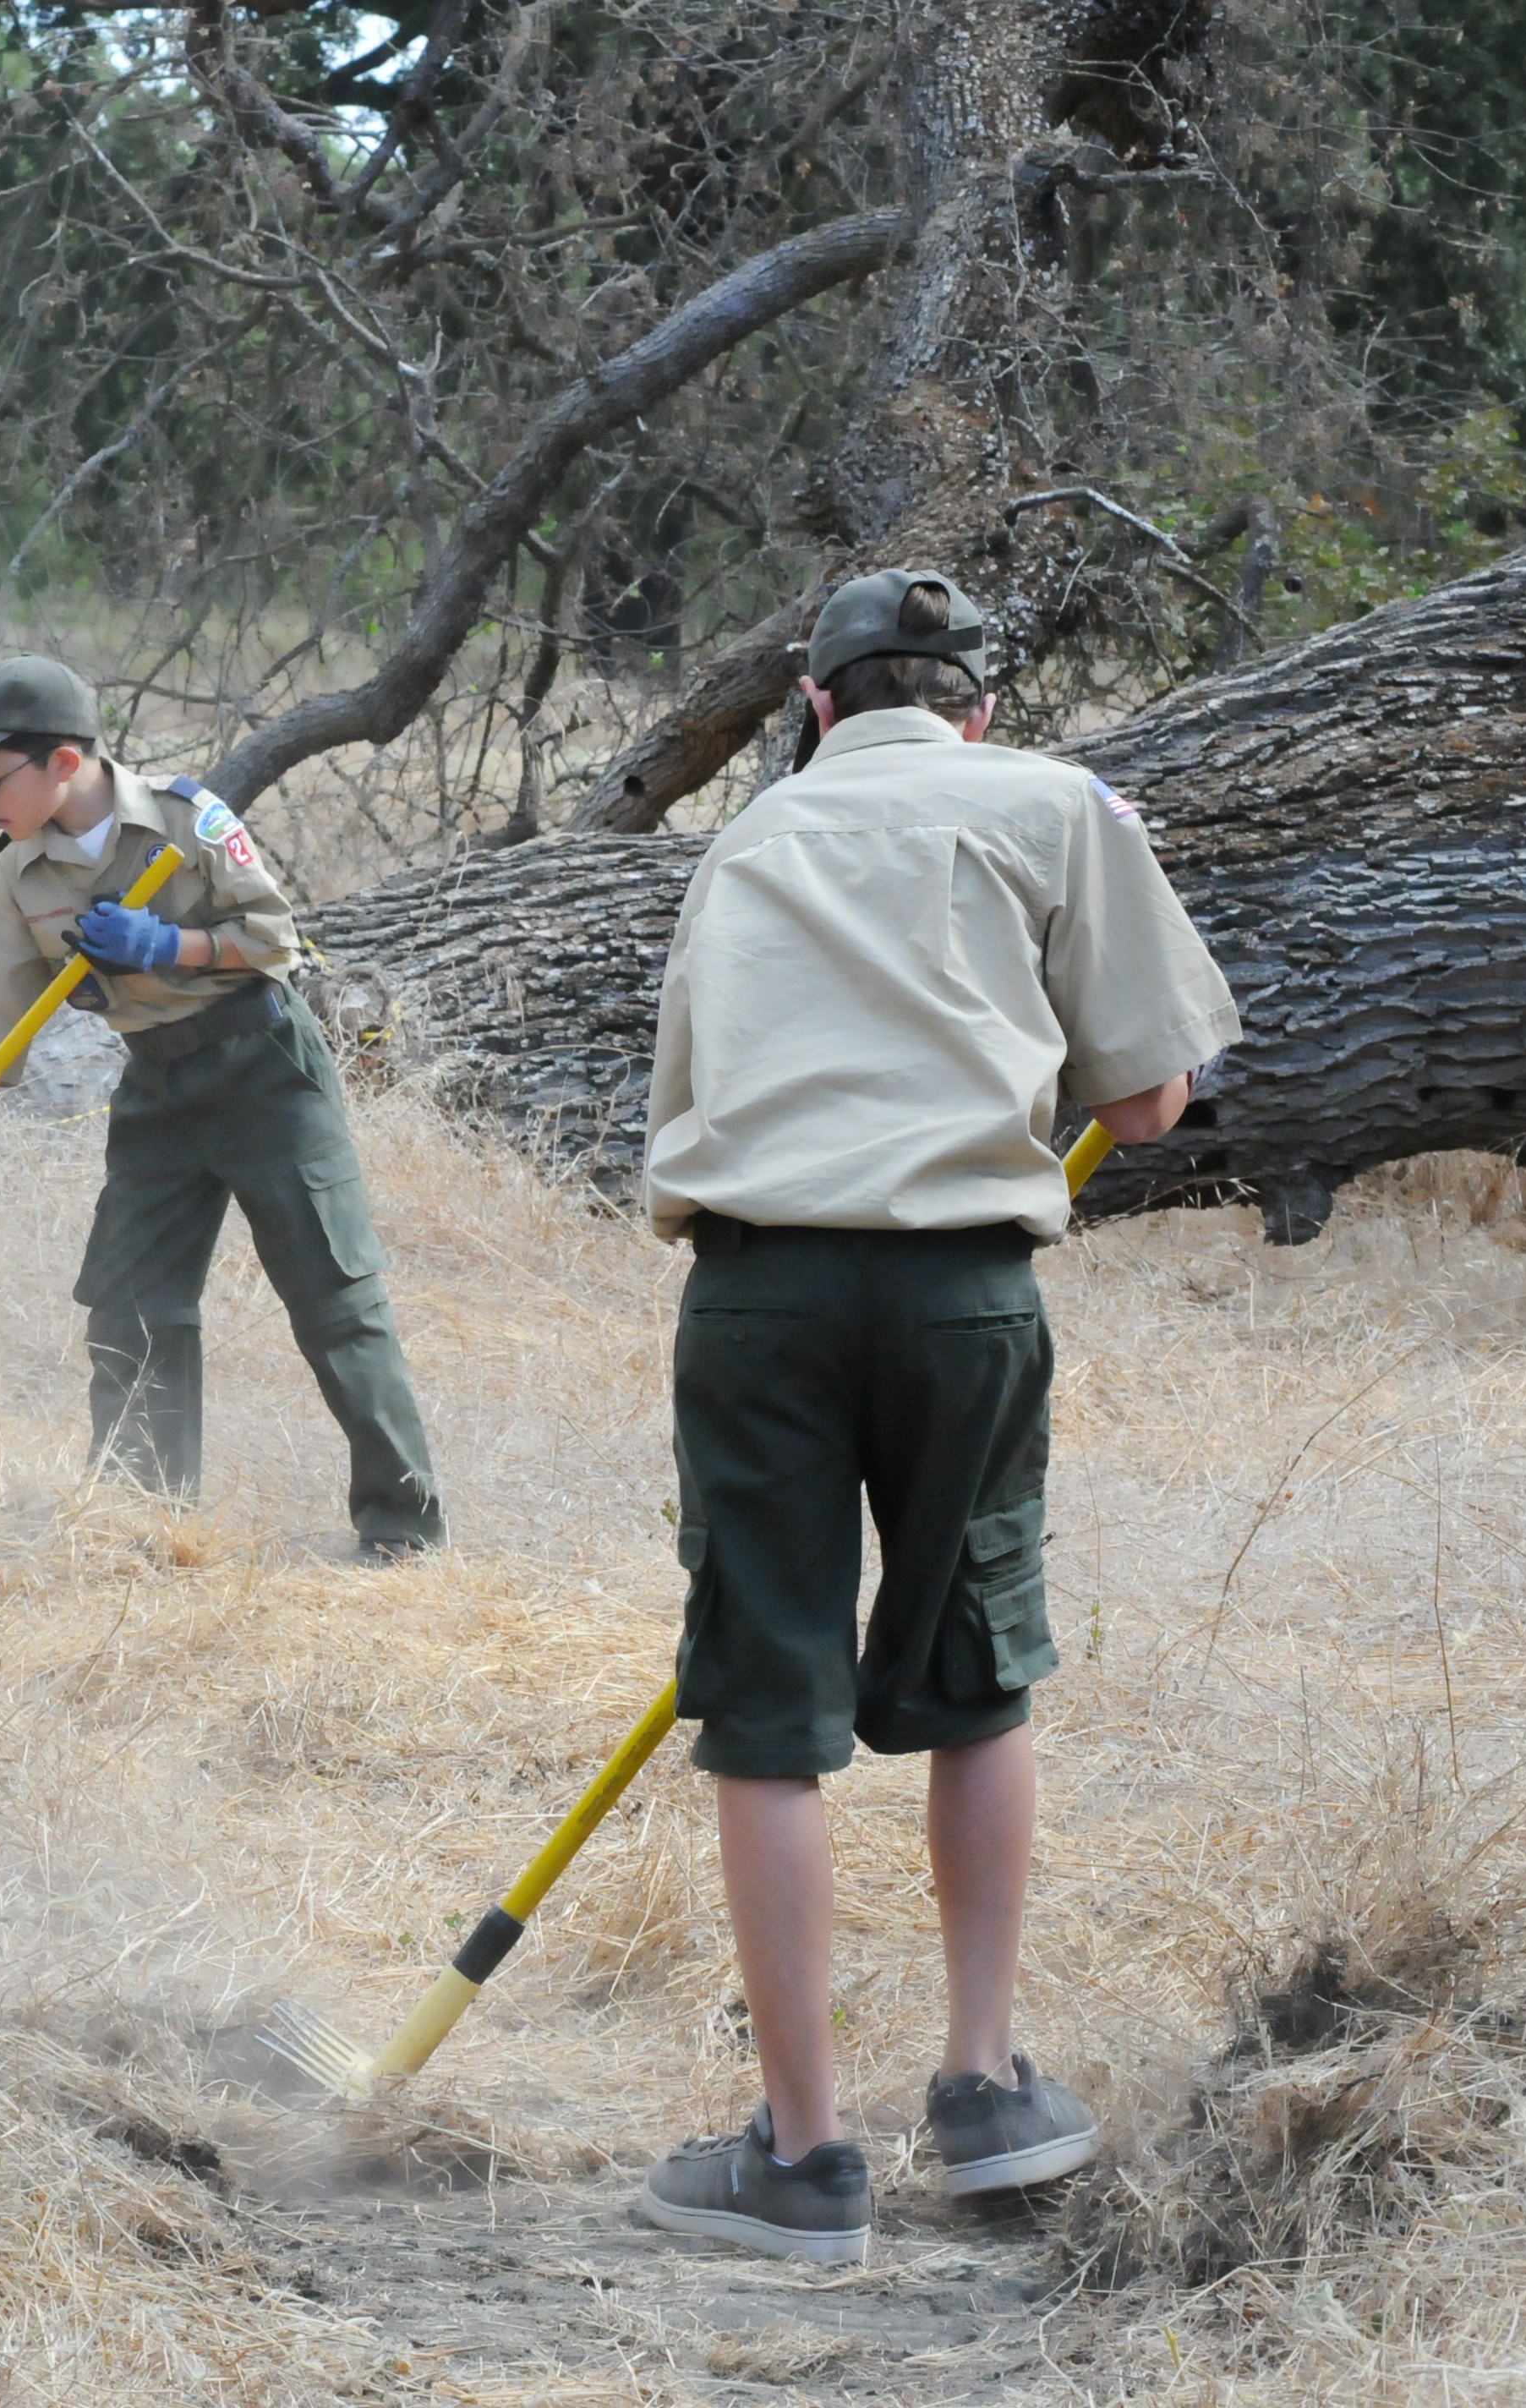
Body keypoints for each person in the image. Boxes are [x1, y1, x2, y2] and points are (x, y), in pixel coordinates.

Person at [630, 569, 1239, 2264]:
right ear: (973, 703)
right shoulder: (1053, 802)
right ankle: (977, 2087)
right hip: (961, 1289)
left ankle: (804, 2155)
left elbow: (683, 1096)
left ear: (815, 706)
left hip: (753, 1293)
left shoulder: (748, 842)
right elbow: (1145, 1093)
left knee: (764, 1704)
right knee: (973, 1668)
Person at [0, 655, 446, 1560]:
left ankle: (401, 1527)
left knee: (333, 1299)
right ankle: (144, 1518)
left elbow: (274, 938)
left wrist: (167, 944)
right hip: (155, 1086)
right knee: (129, 1301)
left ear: (61, 763)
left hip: (264, 1070)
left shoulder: (187, 821)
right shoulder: (16, 874)